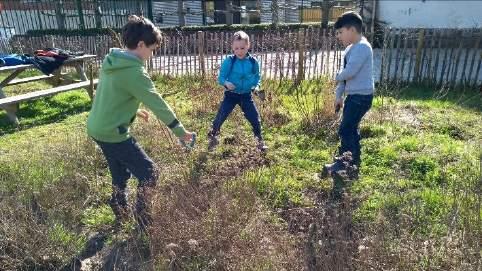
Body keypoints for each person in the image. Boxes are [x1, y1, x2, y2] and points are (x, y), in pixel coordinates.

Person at [86, 15, 195, 231]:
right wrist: (181, 132)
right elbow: (158, 103)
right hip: (113, 133)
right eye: (152, 49)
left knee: (119, 171)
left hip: (97, 127)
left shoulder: (113, 61)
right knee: (150, 172)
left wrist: (134, 109)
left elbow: (112, 94)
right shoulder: (134, 72)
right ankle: (143, 220)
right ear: (141, 45)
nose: (152, 55)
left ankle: (119, 205)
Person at [322, 11, 374, 178]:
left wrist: (335, 76)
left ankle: (344, 163)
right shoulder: (350, 49)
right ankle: (353, 161)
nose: (338, 36)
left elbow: (349, 72)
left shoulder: (363, 48)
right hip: (354, 96)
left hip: (361, 97)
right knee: (351, 128)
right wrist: (338, 96)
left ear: (351, 30)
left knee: (346, 129)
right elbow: (344, 79)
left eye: (340, 32)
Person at [207, 31, 268, 152]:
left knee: (255, 118)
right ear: (232, 48)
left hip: (246, 95)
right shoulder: (229, 61)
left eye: (242, 48)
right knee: (221, 115)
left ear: (248, 46)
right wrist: (226, 83)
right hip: (231, 95)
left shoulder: (253, 62)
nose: (239, 51)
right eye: (236, 48)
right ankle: (213, 136)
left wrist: (256, 87)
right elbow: (221, 78)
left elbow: (257, 77)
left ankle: (259, 141)